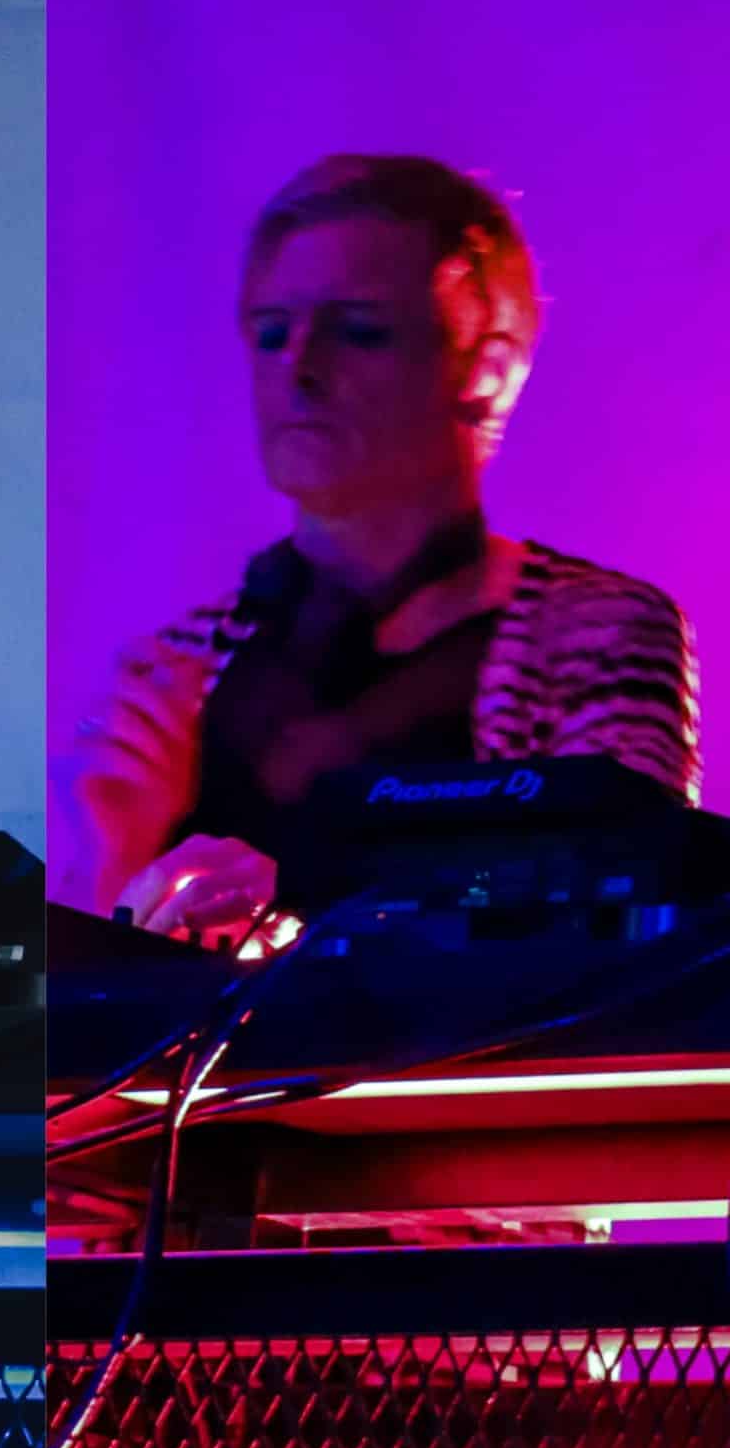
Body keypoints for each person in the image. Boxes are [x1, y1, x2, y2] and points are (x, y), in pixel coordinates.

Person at [61, 153, 700, 945]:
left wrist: (296, 919)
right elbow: (103, 979)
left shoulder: (595, 630)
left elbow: (625, 933)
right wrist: (108, 864)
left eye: (360, 332)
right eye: (271, 334)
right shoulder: (181, 658)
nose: (298, 369)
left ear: (487, 368)